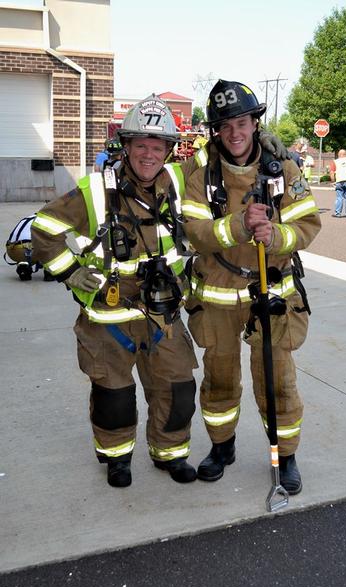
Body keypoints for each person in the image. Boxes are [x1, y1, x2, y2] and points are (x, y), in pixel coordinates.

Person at [31, 95, 201, 488]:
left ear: (168, 151)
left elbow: (226, 161)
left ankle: (170, 455)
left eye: (157, 146)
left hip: (164, 315)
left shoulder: (176, 182)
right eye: (140, 144)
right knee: (114, 396)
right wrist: (71, 271)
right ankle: (117, 459)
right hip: (109, 318)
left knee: (177, 389)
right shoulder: (94, 190)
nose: (148, 154)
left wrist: (264, 144)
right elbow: (43, 229)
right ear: (125, 146)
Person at [182, 79, 321, 495]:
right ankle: (222, 450)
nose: (235, 133)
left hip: (272, 293)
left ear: (254, 123)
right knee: (220, 379)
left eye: (241, 122)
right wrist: (239, 225)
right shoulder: (199, 174)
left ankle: (285, 456)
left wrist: (277, 237)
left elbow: (308, 223)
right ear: (215, 131)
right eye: (225, 126)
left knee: (278, 383)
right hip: (218, 296)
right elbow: (193, 233)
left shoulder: (285, 168)